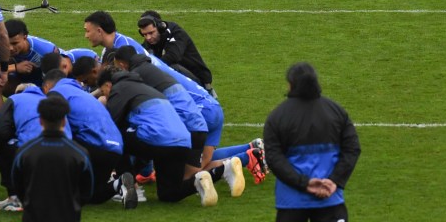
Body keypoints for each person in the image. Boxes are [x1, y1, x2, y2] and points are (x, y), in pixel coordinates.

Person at [97, 68, 243, 207]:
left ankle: (130, 187)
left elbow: (111, 126)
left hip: (160, 140)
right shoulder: (146, 87)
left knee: (117, 137)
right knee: (169, 194)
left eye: (104, 92)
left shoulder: (119, 88)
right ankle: (215, 173)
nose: (107, 96)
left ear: (108, 84)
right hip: (182, 142)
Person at [264, 63, 360, 222]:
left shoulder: (277, 116)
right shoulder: (336, 111)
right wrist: (334, 180)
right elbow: (352, 149)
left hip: (291, 201)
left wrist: (305, 183)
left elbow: (274, 158)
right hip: (329, 197)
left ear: (291, 84)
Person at [41, 69, 132, 206]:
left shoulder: (56, 93)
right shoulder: (82, 94)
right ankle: (119, 183)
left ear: (47, 86)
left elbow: (60, 128)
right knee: (89, 195)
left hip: (93, 145)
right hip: (115, 148)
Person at [11, 95, 93, 222]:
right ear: (64, 121)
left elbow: (17, 185)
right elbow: (87, 190)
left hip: (33, 217)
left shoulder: (25, 151)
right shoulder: (79, 153)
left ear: (40, 120)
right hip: (68, 216)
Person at [0, 19, 59, 108]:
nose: (10, 48)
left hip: (43, 86)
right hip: (18, 81)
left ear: (25, 37)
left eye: (15, 43)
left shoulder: (47, 51)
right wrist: (15, 67)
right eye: (7, 43)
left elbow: (53, 86)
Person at [137, 11, 214, 94]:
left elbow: (173, 56)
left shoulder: (177, 32)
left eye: (151, 33)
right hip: (177, 80)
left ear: (160, 27)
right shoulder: (150, 40)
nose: (148, 38)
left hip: (199, 82)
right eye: (144, 34)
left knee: (171, 67)